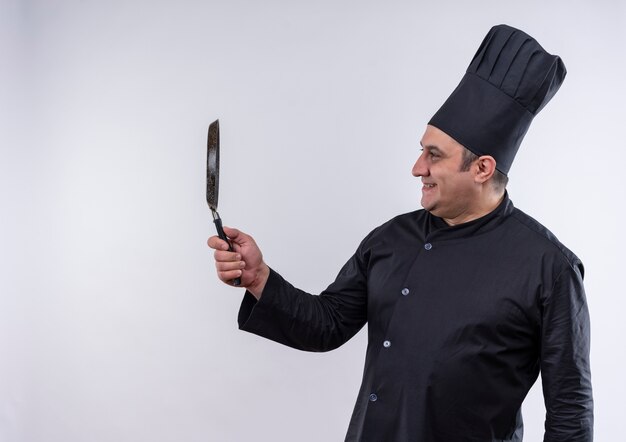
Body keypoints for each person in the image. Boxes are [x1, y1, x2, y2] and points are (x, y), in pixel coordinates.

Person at [208, 24, 593, 441]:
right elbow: (328, 323)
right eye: (421, 150)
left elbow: (570, 411)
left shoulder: (549, 268)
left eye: (434, 155)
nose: (417, 168)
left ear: (481, 168)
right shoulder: (391, 239)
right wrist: (260, 278)